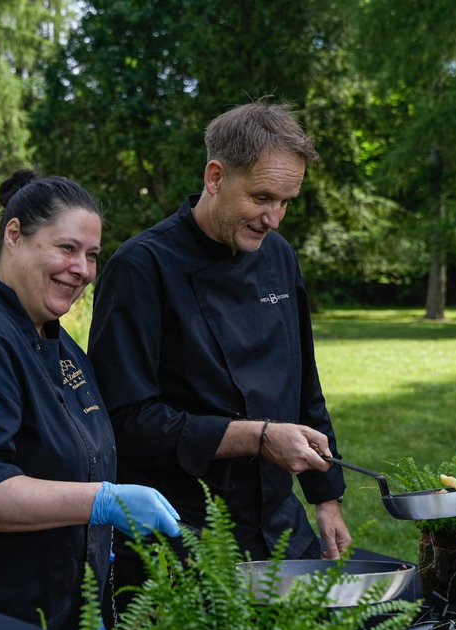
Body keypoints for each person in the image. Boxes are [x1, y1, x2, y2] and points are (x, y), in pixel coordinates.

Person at [0, 169, 181, 630]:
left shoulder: (56, 341)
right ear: (14, 235)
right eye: (67, 249)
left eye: (92, 256)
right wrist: (103, 501)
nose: (82, 269)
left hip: (64, 618)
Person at [88, 101, 352, 583]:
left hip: (278, 525)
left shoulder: (279, 257)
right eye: (262, 197)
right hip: (181, 533)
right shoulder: (141, 268)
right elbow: (125, 422)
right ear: (215, 177)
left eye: (286, 202)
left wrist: (325, 497)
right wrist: (259, 437)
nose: (274, 218)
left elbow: (304, 386)